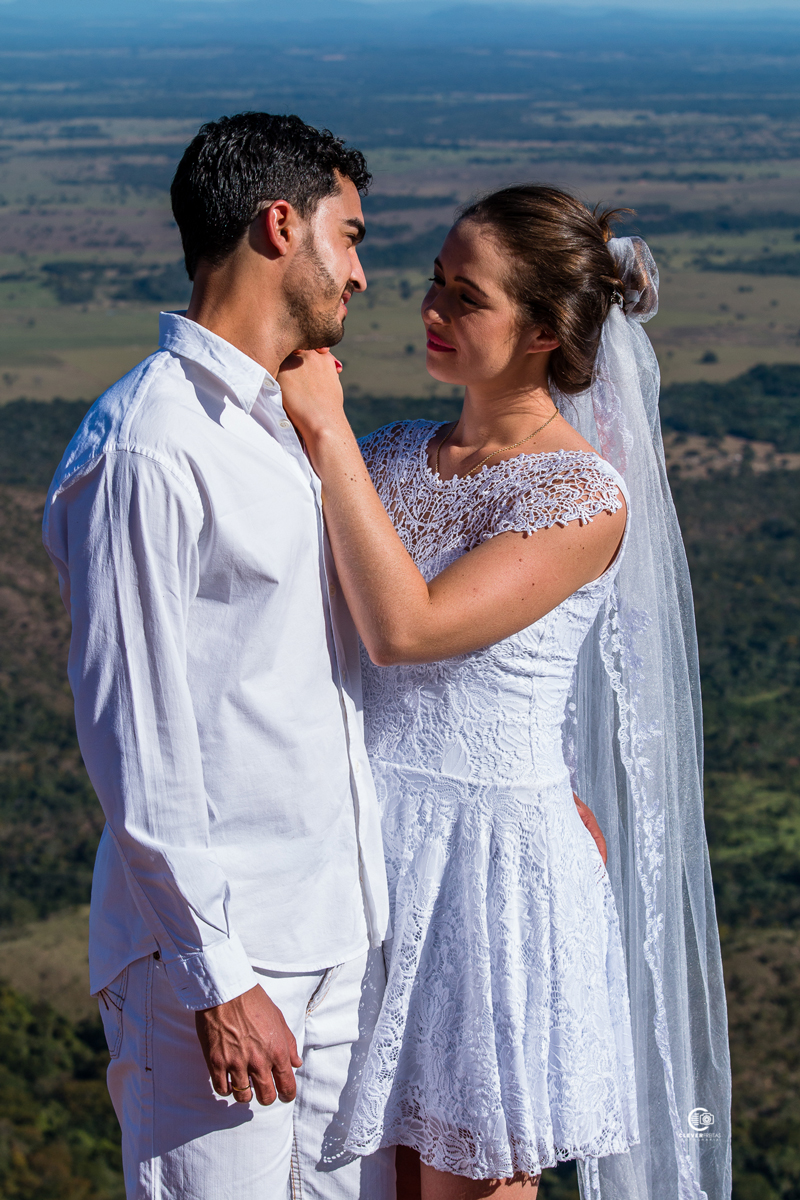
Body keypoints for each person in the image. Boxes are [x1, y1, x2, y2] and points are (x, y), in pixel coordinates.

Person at [278, 186, 732, 1199]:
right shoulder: (395, 453)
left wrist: (325, 433)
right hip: (359, 847)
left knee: (468, 1181)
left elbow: (410, 631)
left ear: (539, 333)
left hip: (488, 874)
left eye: (465, 296)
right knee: (357, 1178)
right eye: (435, 281)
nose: (431, 308)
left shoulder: (579, 496)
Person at [41, 112, 396, 1200]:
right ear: (278, 226)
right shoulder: (148, 447)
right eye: (353, 236)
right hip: (223, 966)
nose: (364, 275)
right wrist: (215, 978)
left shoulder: (286, 421)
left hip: (341, 935)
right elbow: (133, 737)